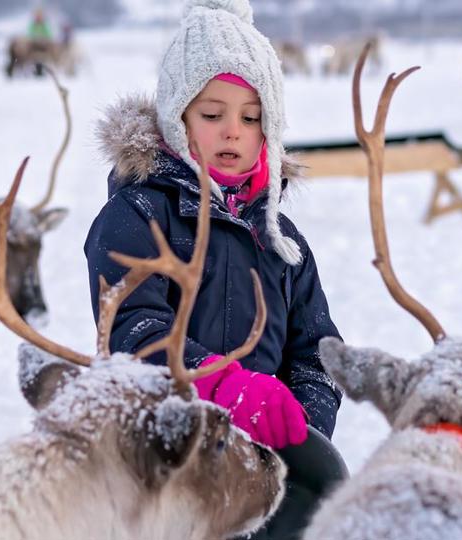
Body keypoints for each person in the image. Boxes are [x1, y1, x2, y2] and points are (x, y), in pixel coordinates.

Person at [85, 0, 342, 452]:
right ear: (177, 118)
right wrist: (222, 387)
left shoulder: (283, 244)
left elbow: (317, 358)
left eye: (251, 117)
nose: (232, 131)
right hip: (163, 458)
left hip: (261, 464)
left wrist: (301, 430)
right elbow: (133, 327)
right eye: (211, 114)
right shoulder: (139, 214)